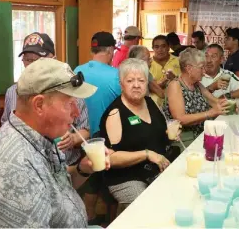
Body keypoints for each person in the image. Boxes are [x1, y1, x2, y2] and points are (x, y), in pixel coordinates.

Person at [0, 58, 110, 227]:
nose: (76, 112)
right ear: (39, 105)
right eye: (69, 103)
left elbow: (57, 191)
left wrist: (82, 169)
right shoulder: (13, 168)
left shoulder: (41, 137)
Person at [99, 58, 177, 211]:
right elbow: (110, 159)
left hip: (157, 167)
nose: (136, 85)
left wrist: (170, 133)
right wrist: (146, 154)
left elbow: (160, 131)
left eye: (141, 80)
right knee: (148, 208)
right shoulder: (116, 113)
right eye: (130, 81)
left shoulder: (150, 102)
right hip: (127, 177)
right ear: (121, 84)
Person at [1, 32, 90, 165]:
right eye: (28, 60)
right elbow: (6, 127)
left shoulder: (70, 90)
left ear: (54, 59)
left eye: (38, 60)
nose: (31, 65)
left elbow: (85, 130)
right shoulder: (12, 92)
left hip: (67, 164)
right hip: (30, 165)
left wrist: (73, 138)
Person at [163, 48, 232, 143]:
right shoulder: (175, 85)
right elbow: (180, 119)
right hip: (184, 141)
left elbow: (215, 102)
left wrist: (230, 105)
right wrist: (209, 113)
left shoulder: (197, 84)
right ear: (189, 68)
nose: (204, 71)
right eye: (201, 67)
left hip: (202, 135)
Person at [74, 32, 121, 136]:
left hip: (80, 136)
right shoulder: (117, 75)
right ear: (110, 50)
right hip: (106, 136)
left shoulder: (77, 71)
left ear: (92, 51)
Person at [150, 35, 181, 106]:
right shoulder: (148, 64)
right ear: (153, 48)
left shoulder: (178, 61)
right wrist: (158, 85)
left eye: (163, 46)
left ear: (168, 47)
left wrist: (174, 79)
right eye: (156, 47)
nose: (160, 50)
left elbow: (187, 82)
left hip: (177, 101)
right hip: (154, 105)